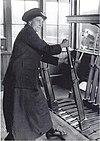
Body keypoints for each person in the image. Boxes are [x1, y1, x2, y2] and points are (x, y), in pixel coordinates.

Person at [3, 8, 69, 140]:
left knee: (40, 103)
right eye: (38, 21)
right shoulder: (28, 32)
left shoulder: (30, 34)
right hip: (20, 79)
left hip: (26, 78)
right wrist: (61, 46)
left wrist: (59, 59)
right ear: (29, 22)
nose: (40, 24)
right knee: (20, 109)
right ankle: (13, 137)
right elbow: (46, 48)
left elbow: (40, 53)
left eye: (42, 22)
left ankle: (49, 131)